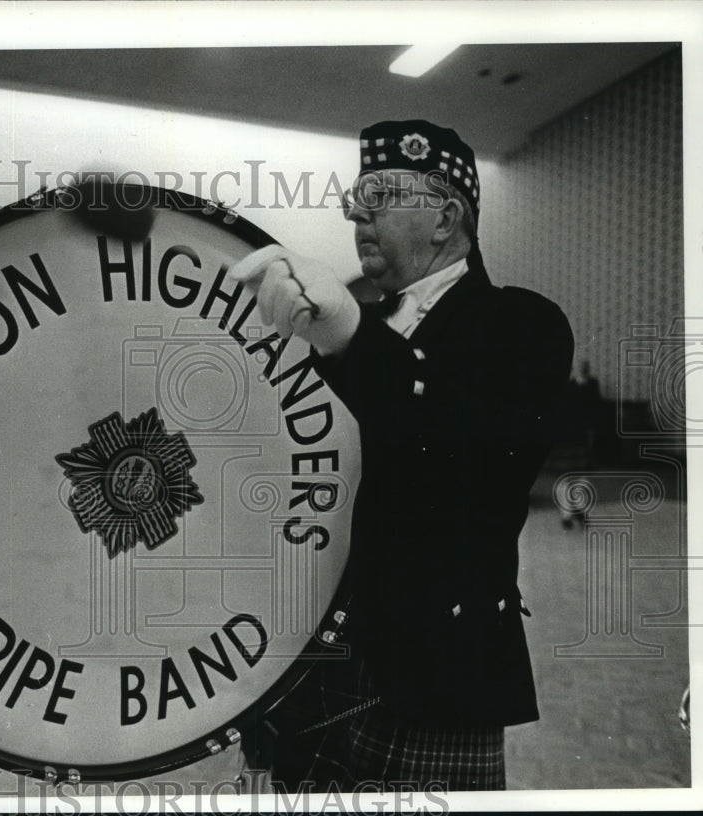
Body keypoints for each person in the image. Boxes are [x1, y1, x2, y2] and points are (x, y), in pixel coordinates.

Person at [229, 120, 575, 792]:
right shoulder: (347, 326)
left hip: (433, 672)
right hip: (317, 667)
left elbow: (462, 443)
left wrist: (350, 335)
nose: (359, 217)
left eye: (380, 200)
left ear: (445, 219)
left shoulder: (521, 325)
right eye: (355, 204)